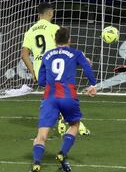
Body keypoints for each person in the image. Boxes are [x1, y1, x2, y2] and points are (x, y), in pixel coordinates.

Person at [30, 27, 97, 172]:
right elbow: (87, 68)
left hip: (49, 98)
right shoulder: (76, 53)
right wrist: (93, 84)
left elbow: (41, 81)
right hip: (68, 96)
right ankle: (62, 154)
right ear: (69, 40)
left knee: (41, 135)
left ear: (55, 40)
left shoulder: (47, 55)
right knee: (74, 125)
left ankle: (36, 164)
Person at [21, 2, 90, 136]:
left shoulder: (30, 31)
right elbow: (64, 48)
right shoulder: (54, 28)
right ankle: (75, 124)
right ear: (50, 13)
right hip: (55, 68)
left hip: (41, 72)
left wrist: (33, 72)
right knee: (67, 94)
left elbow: (24, 55)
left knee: (53, 95)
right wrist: (81, 59)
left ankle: (61, 120)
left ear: (38, 14)